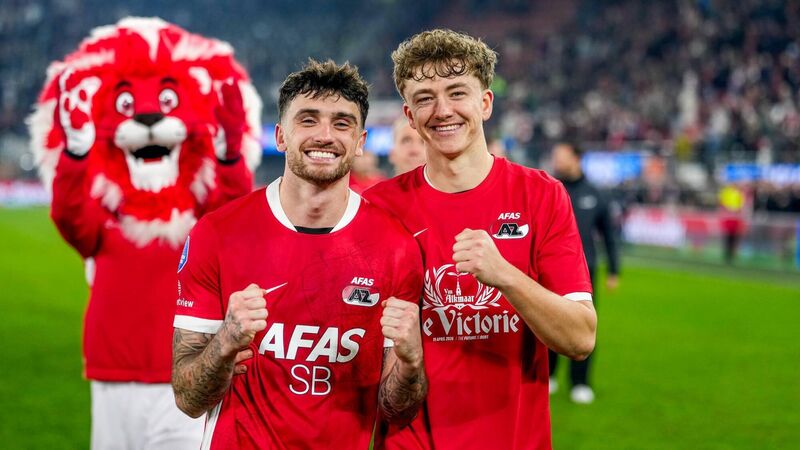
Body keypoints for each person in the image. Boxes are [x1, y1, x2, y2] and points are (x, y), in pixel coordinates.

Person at [29, 18, 262, 450]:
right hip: (112, 373)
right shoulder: (106, 218)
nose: (149, 115)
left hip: (190, 371)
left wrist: (230, 155)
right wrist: (76, 152)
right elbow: (69, 217)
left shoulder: (200, 217)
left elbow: (232, 216)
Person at [171, 59, 427, 449]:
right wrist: (226, 341)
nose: (325, 135)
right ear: (280, 136)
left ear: (360, 141)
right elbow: (188, 399)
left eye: (342, 123)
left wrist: (411, 363)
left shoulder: (396, 247)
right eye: (308, 120)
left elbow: (397, 411)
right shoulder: (218, 233)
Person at [365, 29, 597, 449]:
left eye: (457, 93)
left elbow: (580, 338)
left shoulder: (540, 195)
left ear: (485, 103)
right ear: (409, 115)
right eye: (425, 98)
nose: (442, 110)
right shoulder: (376, 208)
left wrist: (505, 275)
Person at [549, 141, 621, 404]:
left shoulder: (596, 194)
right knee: (547, 321)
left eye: (561, 155)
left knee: (583, 326)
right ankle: (548, 375)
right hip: (550, 269)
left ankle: (580, 382)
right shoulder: (549, 188)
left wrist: (614, 270)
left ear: (576, 157)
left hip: (584, 272)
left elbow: (609, 235)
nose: (556, 160)